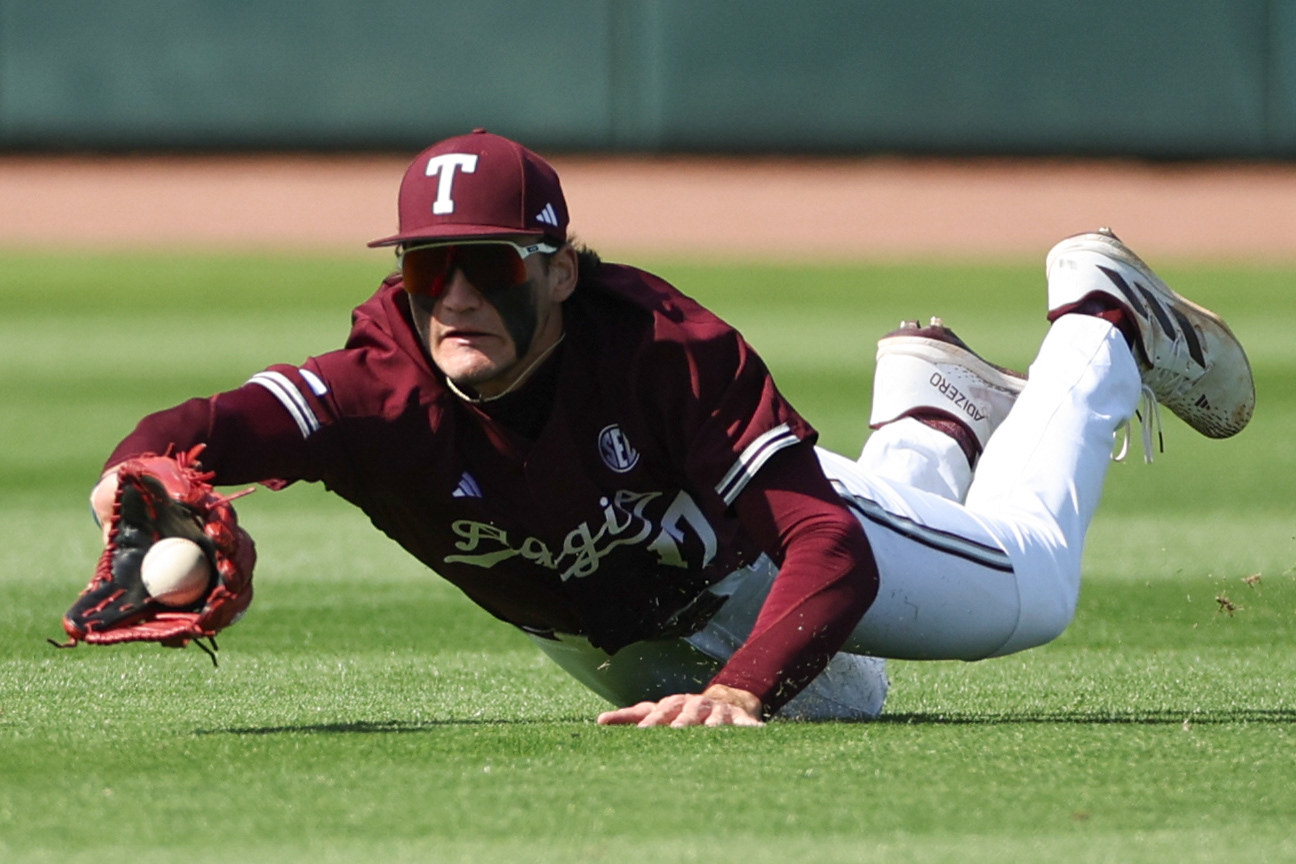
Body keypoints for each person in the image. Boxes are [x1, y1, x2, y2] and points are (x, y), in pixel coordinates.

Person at [90, 130, 1254, 727]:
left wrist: (741, 690)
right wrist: (132, 482)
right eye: (428, 265)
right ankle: (932, 414)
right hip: (613, 626)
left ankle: (1097, 315)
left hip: (772, 550)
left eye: (487, 268)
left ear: (555, 274)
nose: (452, 296)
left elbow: (828, 550)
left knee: (1033, 588)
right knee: (854, 704)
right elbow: (197, 428)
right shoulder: (376, 387)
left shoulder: (663, 354)